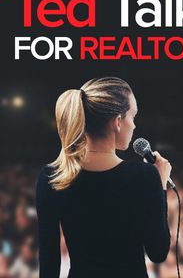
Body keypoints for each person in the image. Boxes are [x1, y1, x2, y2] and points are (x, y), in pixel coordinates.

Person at [36, 77, 171, 278]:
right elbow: (158, 252)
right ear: (117, 122)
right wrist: (159, 186)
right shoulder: (144, 176)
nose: (134, 126)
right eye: (132, 117)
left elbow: (49, 260)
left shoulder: (51, 177)